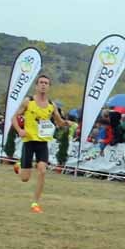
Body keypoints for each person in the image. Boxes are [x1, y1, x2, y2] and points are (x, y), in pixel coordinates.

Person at [12, 75, 73, 213]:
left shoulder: (52, 105)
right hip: (29, 141)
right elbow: (14, 117)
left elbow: (59, 121)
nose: (43, 85)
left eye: (46, 83)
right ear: (37, 85)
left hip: (42, 143)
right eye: (41, 83)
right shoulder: (29, 101)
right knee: (25, 178)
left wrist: (66, 124)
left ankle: (35, 203)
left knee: (42, 170)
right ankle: (19, 165)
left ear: (49, 86)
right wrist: (19, 130)